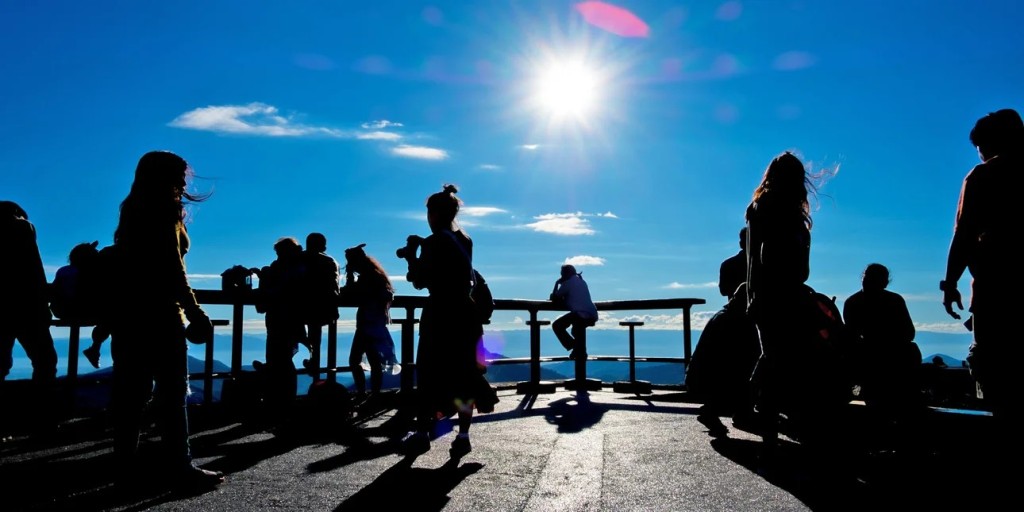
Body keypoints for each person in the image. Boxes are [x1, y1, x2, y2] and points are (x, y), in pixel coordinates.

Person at [107, 151, 222, 488]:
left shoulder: (132, 208)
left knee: (132, 393)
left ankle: (123, 466)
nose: (184, 181)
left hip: (128, 312)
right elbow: (173, 269)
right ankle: (179, 466)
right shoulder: (164, 210)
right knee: (171, 393)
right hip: (160, 313)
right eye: (180, 174)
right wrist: (196, 312)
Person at [744, 151, 843, 461]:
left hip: (766, 294)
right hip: (782, 293)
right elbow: (770, 256)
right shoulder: (783, 210)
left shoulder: (761, 208)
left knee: (775, 357)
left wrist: (753, 295)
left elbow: (755, 258)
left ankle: (758, 414)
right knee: (781, 358)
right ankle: (762, 417)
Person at [941, 108, 1024, 450]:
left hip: (997, 291)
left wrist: (950, 283)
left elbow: (964, 234)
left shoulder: (984, 176)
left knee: (998, 374)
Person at [399, 184, 497, 458]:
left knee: (430, 373)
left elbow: (420, 280)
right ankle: (463, 436)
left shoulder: (433, 243)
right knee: (465, 373)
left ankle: (422, 433)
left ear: (432, 214)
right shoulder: (465, 239)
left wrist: (411, 257)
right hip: (466, 312)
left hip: (440, 313)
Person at [843, 263, 921, 451]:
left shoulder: (854, 302)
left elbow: (851, 337)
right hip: (878, 362)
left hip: (876, 361)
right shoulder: (892, 301)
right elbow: (909, 333)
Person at [0, 200, 59, 429]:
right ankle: (43, 420)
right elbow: (35, 268)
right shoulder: (23, 227)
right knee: (45, 361)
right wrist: (44, 300)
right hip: (27, 307)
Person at [685, 283, 760, 437]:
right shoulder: (737, 321)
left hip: (699, 379)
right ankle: (727, 410)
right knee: (755, 372)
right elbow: (749, 356)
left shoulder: (723, 315)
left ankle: (736, 410)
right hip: (711, 382)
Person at [252, 236, 307, 422]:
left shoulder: (290, 269)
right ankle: (282, 401)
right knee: (282, 359)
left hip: (283, 318)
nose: (278, 256)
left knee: (280, 359)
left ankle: (281, 402)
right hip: (289, 319)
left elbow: (282, 290)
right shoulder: (297, 266)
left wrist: (264, 279)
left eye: (279, 252)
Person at [342, 243, 399, 401]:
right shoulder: (375, 275)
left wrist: (349, 276)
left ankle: (363, 393)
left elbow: (350, 292)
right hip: (376, 323)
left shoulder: (367, 277)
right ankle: (374, 394)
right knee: (374, 360)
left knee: (355, 360)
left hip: (367, 323)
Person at [50, 241, 112, 369]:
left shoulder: (63, 270)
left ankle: (95, 349)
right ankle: (95, 348)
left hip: (60, 311)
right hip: (79, 311)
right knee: (110, 317)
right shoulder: (88, 273)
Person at [301, 232, 340, 378]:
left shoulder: (300, 259)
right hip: (325, 308)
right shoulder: (330, 261)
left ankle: (275, 365)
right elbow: (334, 287)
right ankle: (314, 365)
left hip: (302, 307)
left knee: (295, 334)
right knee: (316, 338)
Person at [550, 264, 599, 360]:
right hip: (592, 313)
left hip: (580, 314)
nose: (561, 276)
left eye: (562, 274)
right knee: (576, 331)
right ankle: (579, 350)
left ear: (566, 274)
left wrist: (556, 284)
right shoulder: (582, 281)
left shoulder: (567, 283)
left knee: (557, 326)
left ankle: (575, 346)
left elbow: (554, 297)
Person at [718, 227, 748, 302]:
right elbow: (723, 291)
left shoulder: (728, 264)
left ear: (741, 244)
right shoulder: (728, 265)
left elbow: (723, 290)